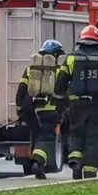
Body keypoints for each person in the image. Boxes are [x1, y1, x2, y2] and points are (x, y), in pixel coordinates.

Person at [53, 25, 98, 181]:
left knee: (76, 133)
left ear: (81, 39)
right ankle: (89, 171)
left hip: (76, 105)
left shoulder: (71, 58)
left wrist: (59, 102)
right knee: (93, 138)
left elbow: (61, 81)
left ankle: (75, 161)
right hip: (97, 106)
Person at [16, 39, 64, 179]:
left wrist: (20, 109)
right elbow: (63, 94)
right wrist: (63, 112)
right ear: (55, 55)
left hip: (32, 110)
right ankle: (37, 162)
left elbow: (21, 91)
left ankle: (38, 166)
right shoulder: (59, 70)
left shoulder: (31, 69)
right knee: (47, 138)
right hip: (51, 110)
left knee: (37, 137)